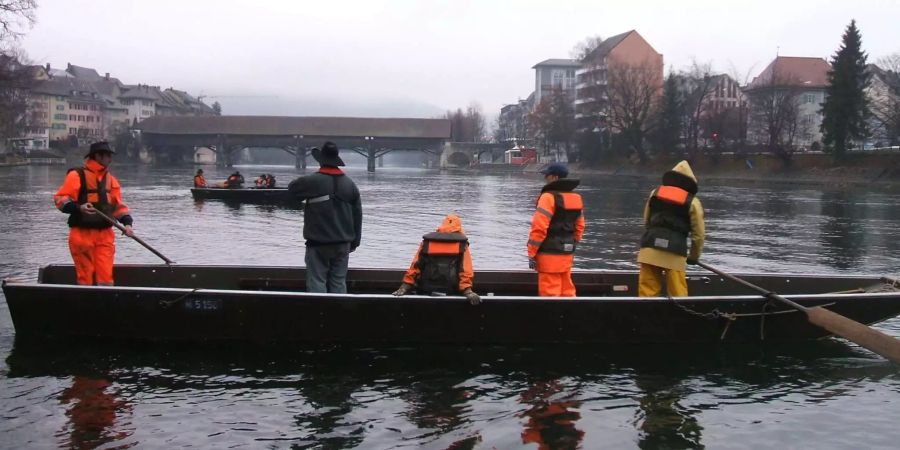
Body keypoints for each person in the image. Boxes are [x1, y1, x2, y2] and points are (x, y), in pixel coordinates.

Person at [53, 141, 134, 286]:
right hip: (82, 234)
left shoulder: (112, 181)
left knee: (106, 277)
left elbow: (118, 208)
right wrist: (79, 207)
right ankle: (85, 304)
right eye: (108, 155)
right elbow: (61, 199)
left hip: (105, 236)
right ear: (98, 156)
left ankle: (104, 303)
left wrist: (127, 224)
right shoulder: (76, 175)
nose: (110, 159)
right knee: (86, 276)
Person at [288, 141, 362, 293]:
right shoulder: (351, 185)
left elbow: (292, 189)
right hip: (343, 244)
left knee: (317, 280)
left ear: (321, 160)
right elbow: (358, 216)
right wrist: (355, 242)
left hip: (318, 244)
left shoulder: (312, 181)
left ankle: (319, 313)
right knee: (339, 282)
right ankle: (338, 312)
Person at [637, 160, 705, 297]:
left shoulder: (655, 193)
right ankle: (678, 316)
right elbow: (698, 236)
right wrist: (694, 257)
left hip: (649, 248)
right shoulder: (693, 202)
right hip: (675, 252)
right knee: (678, 292)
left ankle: (645, 315)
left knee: (647, 292)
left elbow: (647, 221)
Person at [392, 214, 481, 305]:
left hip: (425, 290)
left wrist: (404, 287)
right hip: (452, 291)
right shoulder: (462, 245)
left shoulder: (427, 243)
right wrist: (468, 291)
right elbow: (465, 271)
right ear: (459, 228)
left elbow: (415, 267)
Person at [527, 163, 585, 297]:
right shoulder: (576, 198)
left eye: (546, 176)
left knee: (550, 294)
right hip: (567, 254)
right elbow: (580, 227)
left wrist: (532, 253)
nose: (545, 179)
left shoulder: (548, 197)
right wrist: (571, 244)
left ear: (554, 177)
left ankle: (552, 317)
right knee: (568, 291)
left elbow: (539, 228)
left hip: (548, 255)